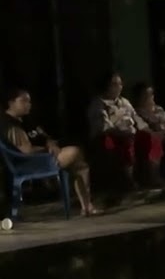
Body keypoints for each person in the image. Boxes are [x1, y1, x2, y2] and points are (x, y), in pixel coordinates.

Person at [2, 87, 98, 215]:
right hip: (33, 162)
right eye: (23, 101)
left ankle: (86, 206)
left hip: (45, 155)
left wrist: (50, 143)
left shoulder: (27, 119)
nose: (28, 104)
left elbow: (43, 136)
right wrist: (48, 149)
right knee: (76, 154)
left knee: (78, 158)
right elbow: (27, 151)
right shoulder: (9, 124)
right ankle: (86, 206)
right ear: (11, 103)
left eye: (29, 101)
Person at [87, 71, 165, 188]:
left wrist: (149, 131)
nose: (119, 87)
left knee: (151, 139)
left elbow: (136, 119)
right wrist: (124, 133)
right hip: (108, 137)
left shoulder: (124, 102)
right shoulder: (98, 103)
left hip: (129, 134)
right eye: (115, 84)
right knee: (125, 143)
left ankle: (153, 177)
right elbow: (104, 127)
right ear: (107, 85)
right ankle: (129, 181)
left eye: (120, 84)